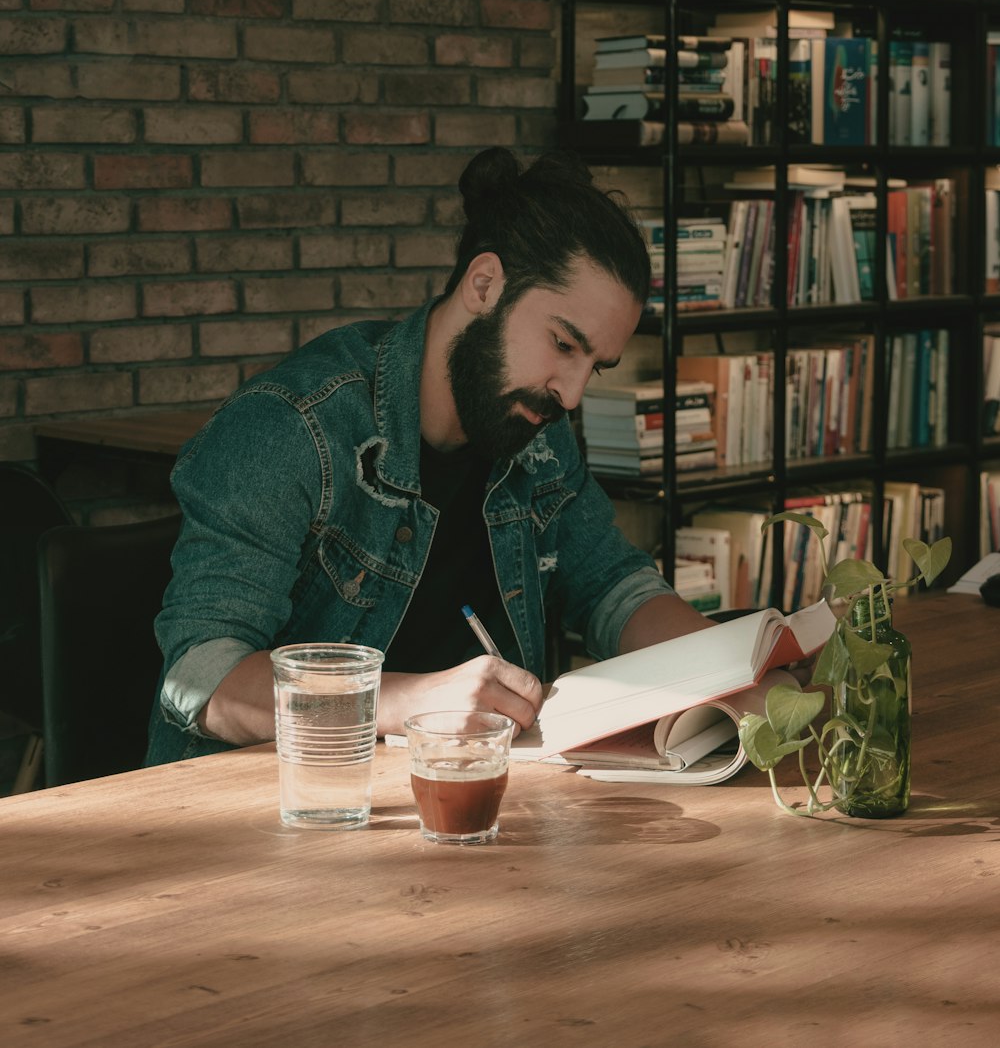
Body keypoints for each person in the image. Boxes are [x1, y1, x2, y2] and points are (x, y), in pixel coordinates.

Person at [146, 147, 715, 765]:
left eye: (593, 366)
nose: (571, 393)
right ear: (485, 285)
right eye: (562, 344)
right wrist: (416, 700)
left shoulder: (534, 428)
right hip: (288, 807)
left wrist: (732, 669)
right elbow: (203, 680)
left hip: (469, 798)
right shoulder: (292, 426)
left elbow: (613, 586)